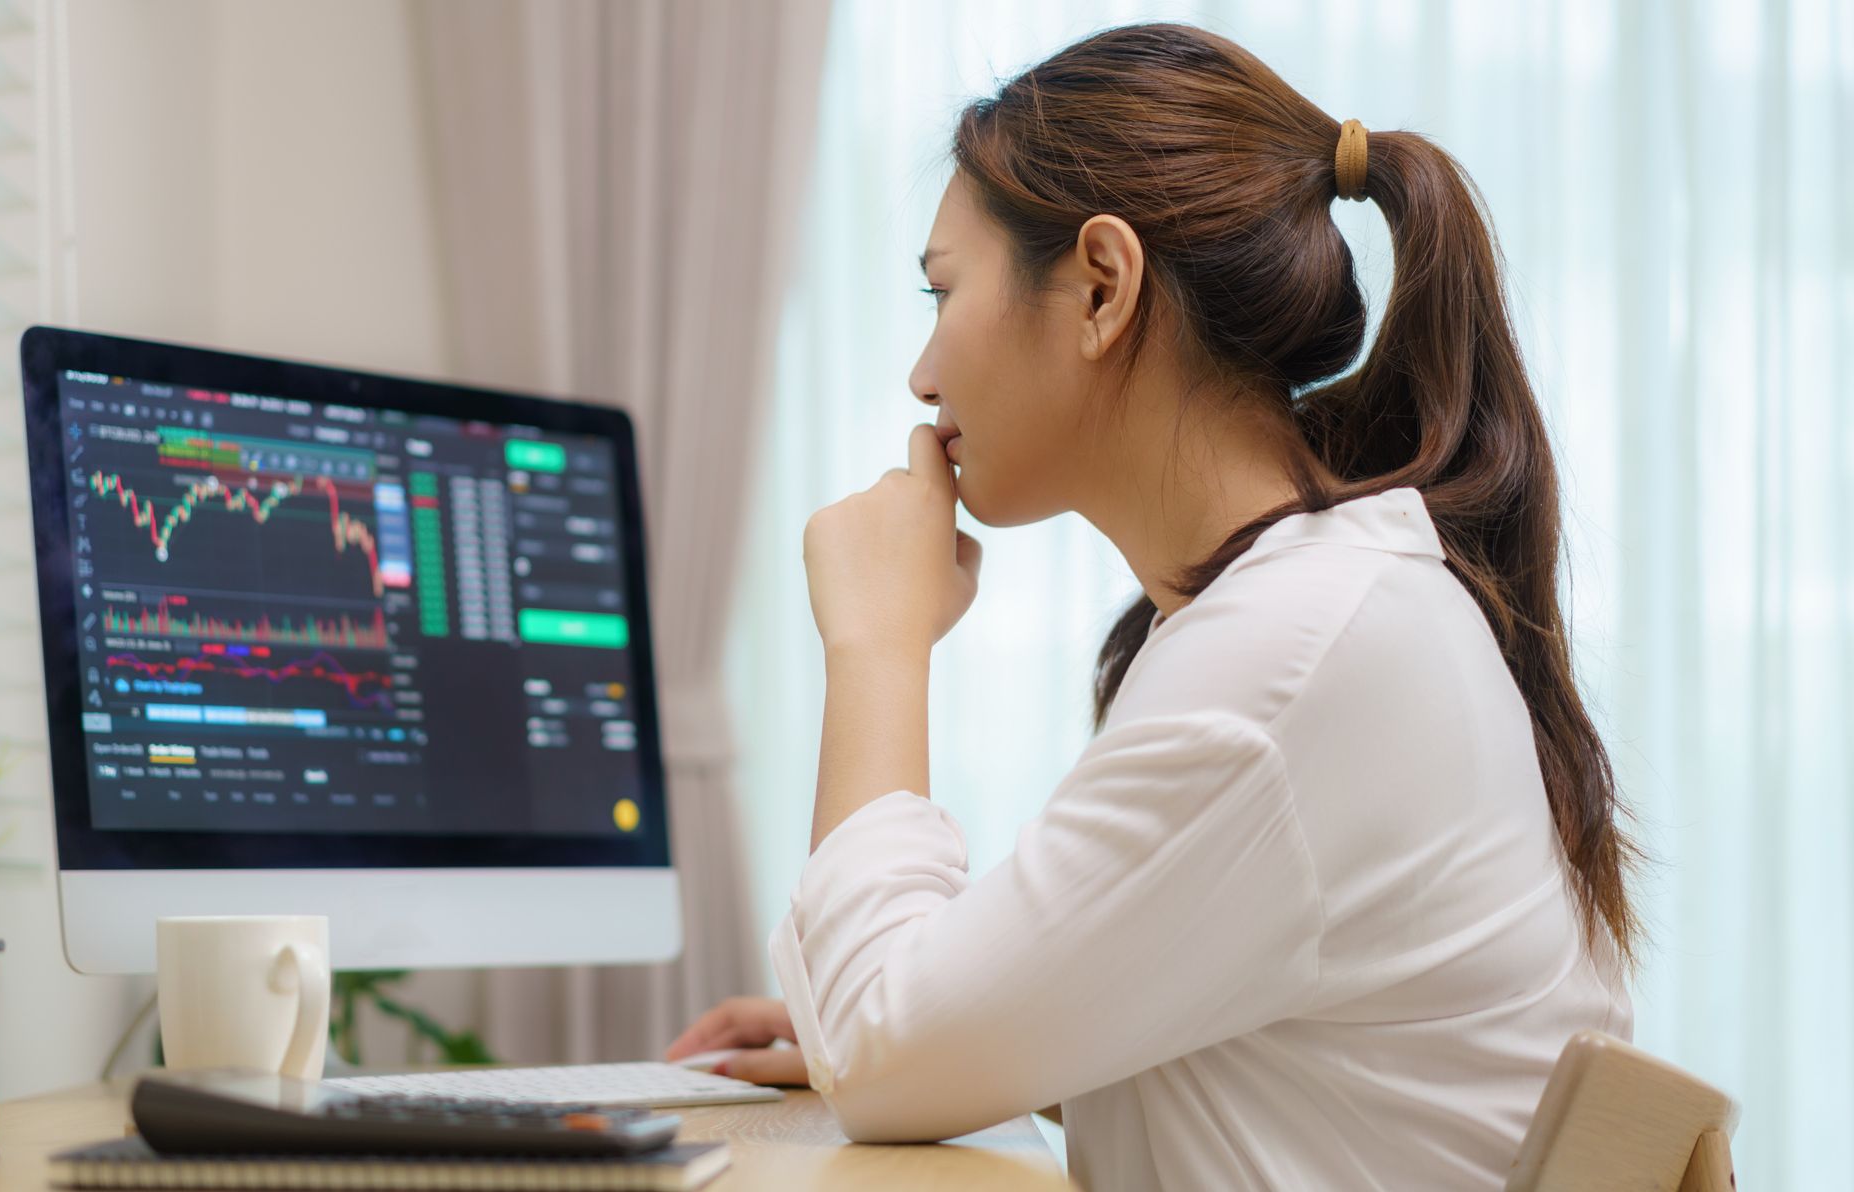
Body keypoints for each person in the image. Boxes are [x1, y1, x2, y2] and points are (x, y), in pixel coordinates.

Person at [666, 21, 1636, 1190]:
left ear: (1100, 287)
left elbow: (881, 1048)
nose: (920, 376)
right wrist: (977, 1028)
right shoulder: (1326, 611)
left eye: (942, 294)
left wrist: (876, 639)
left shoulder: (1291, 656)